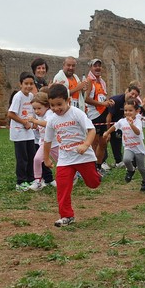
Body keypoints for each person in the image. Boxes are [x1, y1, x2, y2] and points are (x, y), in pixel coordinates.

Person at [44, 84, 101, 227]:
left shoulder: (77, 113)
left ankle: (97, 174)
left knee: (93, 183)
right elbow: (47, 140)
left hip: (84, 157)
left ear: (68, 100)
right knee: (62, 187)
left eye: (59, 104)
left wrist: (86, 145)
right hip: (65, 159)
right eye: (52, 105)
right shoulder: (52, 120)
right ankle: (66, 216)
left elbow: (91, 130)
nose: (56, 108)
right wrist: (46, 158)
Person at [103, 99, 145, 191]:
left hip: (138, 148)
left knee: (141, 168)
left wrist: (131, 124)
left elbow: (137, 132)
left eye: (130, 110)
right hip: (128, 146)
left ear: (137, 111)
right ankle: (131, 170)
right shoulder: (122, 121)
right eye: (125, 110)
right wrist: (107, 132)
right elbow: (114, 126)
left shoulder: (137, 121)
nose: (127, 112)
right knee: (126, 159)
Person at [7, 72, 36, 191]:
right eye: (26, 84)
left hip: (29, 132)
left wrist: (34, 123)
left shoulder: (31, 97)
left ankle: (31, 179)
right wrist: (24, 122)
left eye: (31, 84)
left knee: (31, 156)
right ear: (20, 84)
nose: (28, 86)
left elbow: (32, 111)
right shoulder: (18, 96)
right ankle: (20, 181)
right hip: (19, 133)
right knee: (22, 158)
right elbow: (10, 113)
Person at [85, 58, 115, 173]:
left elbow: (102, 96)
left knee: (103, 143)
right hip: (93, 115)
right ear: (91, 68)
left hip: (103, 113)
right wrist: (102, 103)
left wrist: (109, 101)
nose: (98, 68)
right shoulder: (89, 81)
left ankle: (98, 166)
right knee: (95, 143)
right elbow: (87, 99)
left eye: (99, 66)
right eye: (95, 66)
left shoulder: (102, 81)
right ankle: (91, 168)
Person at [105, 84, 141, 168]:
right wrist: (108, 131)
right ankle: (117, 161)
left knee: (127, 140)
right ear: (127, 91)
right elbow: (108, 117)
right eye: (132, 93)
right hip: (111, 123)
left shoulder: (132, 103)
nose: (133, 96)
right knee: (115, 140)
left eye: (135, 95)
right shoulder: (116, 100)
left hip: (124, 124)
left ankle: (132, 159)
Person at [27, 91, 58, 190]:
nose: (36, 111)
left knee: (62, 162)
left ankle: (72, 177)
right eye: (34, 109)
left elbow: (47, 124)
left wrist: (35, 121)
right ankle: (38, 181)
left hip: (54, 143)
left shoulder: (50, 113)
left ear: (47, 106)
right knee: (37, 159)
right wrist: (35, 126)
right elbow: (41, 125)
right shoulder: (40, 115)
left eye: (39, 108)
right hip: (44, 143)